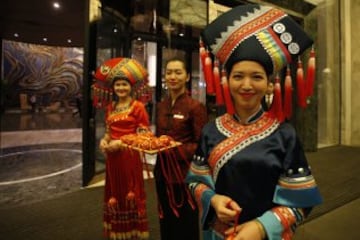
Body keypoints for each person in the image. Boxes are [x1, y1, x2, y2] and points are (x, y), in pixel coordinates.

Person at [186, 4, 323, 240]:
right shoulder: (210, 130)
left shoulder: (284, 135)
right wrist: (213, 199)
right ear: (226, 81)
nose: (247, 85)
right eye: (238, 76)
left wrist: (260, 227)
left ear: (270, 85)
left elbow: (301, 203)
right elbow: (195, 182)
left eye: (257, 77)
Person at [93, 58, 151, 240]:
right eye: (117, 85)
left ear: (130, 87)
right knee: (114, 193)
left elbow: (145, 134)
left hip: (129, 157)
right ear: (113, 88)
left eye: (124, 85)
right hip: (113, 158)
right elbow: (109, 131)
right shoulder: (110, 107)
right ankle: (118, 231)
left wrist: (122, 142)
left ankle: (133, 231)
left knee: (130, 192)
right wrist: (104, 140)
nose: (121, 88)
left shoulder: (138, 107)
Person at [154, 57, 208, 240]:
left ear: (186, 77)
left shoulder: (195, 107)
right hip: (162, 171)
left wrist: (175, 149)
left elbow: (202, 145)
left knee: (185, 220)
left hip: (184, 174)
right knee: (165, 216)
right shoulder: (161, 106)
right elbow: (158, 137)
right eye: (169, 72)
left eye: (178, 72)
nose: (172, 76)